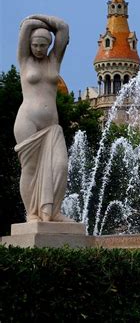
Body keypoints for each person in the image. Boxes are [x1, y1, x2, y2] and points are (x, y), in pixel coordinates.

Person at [14, 14, 72, 222]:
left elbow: (63, 28)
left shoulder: (54, 60)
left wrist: (41, 20)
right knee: (29, 168)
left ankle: (51, 212)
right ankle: (32, 214)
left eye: (43, 45)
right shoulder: (24, 60)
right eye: (35, 45)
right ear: (29, 44)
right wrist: (34, 22)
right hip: (27, 120)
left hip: (51, 126)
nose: (38, 49)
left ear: (49, 46)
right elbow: (26, 25)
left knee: (60, 166)